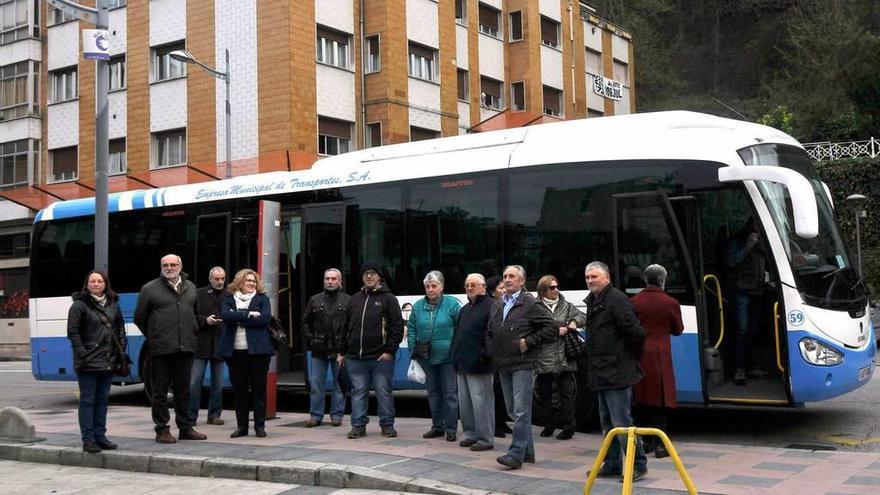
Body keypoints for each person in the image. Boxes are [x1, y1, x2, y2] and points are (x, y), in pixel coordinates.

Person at [583, 261, 648, 482]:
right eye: (588, 277)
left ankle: (638, 465)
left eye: (594, 277)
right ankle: (612, 464)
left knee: (623, 423)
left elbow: (636, 334)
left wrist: (627, 359)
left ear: (607, 277)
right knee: (607, 424)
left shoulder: (617, 300)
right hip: (601, 372)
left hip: (617, 371)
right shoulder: (595, 300)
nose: (590, 281)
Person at [488, 265, 557, 470]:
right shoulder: (498, 305)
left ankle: (516, 452)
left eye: (512, 277)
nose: (507, 280)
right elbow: (490, 331)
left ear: (521, 281)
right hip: (503, 362)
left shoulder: (529, 303)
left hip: (523, 364)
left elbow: (551, 327)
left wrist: (529, 341)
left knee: (520, 410)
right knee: (513, 409)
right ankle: (528, 453)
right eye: (505, 276)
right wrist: (491, 349)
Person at [134, 254, 207, 444]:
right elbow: (139, 318)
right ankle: (162, 430)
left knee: (184, 390)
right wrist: (155, 335)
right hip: (161, 349)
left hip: (185, 347)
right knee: (159, 392)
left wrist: (192, 334)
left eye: (173, 264)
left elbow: (196, 315)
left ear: (180, 266)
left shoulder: (191, 288)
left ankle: (185, 427)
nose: (169, 267)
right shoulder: (149, 289)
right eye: (165, 264)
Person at [337, 261, 404, 439]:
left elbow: (397, 327)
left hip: (380, 358)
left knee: (383, 391)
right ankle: (358, 426)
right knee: (358, 392)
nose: (369, 276)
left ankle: (387, 425)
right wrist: (341, 352)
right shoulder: (355, 299)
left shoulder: (389, 299)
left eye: (373, 273)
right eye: (366, 273)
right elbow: (345, 327)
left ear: (379, 276)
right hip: (355, 358)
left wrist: (390, 351)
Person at [67, 270, 126, 453]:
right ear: (87, 284)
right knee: (87, 401)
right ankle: (88, 439)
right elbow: (73, 333)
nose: (96, 284)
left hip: (108, 361)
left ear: (105, 284)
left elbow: (120, 329)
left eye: (99, 281)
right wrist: (84, 355)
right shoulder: (79, 305)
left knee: (102, 401)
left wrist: (121, 350)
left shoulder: (113, 304)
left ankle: (101, 437)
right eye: (92, 281)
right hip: (88, 363)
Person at [631, 264, 683, 458]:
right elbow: (678, 329)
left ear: (646, 280)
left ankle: (646, 443)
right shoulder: (670, 302)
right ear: (663, 280)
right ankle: (661, 444)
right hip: (661, 354)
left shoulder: (634, 301)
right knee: (661, 398)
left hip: (641, 354)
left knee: (643, 397)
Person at [220, 269, 275, 438]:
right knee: (239, 391)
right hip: (235, 352)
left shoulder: (262, 299)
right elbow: (225, 316)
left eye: (253, 281)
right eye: (247, 281)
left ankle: (260, 427)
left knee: (259, 390)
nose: (251, 283)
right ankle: (241, 427)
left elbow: (265, 319)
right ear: (239, 282)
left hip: (258, 352)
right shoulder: (229, 298)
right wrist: (250, 315)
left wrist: (238, 318)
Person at [408, 270, 461, 442]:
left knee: (450, 394)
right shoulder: (417, 306)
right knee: (433, 393)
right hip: (426, 357)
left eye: (434, 286)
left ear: (442, 287)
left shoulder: (452, 305)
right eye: (428, 286)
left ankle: (451, 429)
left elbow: (460, 328)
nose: (430, 289)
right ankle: (437, 426)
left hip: (448, 358)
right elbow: (411, 328)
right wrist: (412, 349)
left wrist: (455, 350)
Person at [534, 275, 585, 441]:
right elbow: (532, 328)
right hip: (544, 356)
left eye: (557, 286)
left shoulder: (566, 305)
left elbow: (583, 316)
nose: (556, 290)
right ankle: (549, 425)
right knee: (545, 394)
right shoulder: (535, 307)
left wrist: (574, 322)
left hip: (565, 356)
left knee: (567, 394)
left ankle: (569, 427)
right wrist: (557, 330)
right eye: (552, 287)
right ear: (543, 290)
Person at [450, 273, 495, 451]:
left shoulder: (492, 306)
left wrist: (485, 355)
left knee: (481, 402)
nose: (469, 288)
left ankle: (485, 438)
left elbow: (492, 335)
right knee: (466, 403)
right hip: (462, 363)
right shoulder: (465, 308)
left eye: (473, 285)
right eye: (467, 285)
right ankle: (470, 434)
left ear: (483, 287)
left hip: (480, 364)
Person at [302, 268, 350, 427]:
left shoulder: (348, 301)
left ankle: (337, 416)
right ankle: (315, 416)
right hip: (318, 350)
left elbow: (352, 325)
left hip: (339, 350)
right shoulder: (314, 300)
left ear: (340, 282)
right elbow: (305, 323)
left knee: (339, 385)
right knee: (316, 385)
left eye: (333, 279)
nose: (330, 281)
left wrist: (346, 346)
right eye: (327, 278)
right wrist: (312, 339)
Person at [725, 217, 767, 385]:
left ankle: (750, 365)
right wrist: (747, 246)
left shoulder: (762, 242)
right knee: (741, 329)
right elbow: (731, 260)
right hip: (741, 290)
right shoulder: (737, 241)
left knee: (753, 330)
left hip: (758, 290)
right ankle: (738, 368)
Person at [190, 267, 227, 426]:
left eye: (222, 279)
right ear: (210, 279)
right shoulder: (199, 294)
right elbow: (191, 316)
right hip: (201, 343)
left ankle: (214, 415)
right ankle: (191, 416)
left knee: (218, 383)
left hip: (220, 344)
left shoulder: (229, 295)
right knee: (194, 382)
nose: (219, 282)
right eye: (216, 279)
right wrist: (205, 320)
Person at [485, 274, 512, 438]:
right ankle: (496, 425)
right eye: (501, 288)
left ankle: (503, 422)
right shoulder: (492, 307)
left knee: (503, 390)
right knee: (495, 390)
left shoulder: (507, 304)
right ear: (492, 291)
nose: (504, 290)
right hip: (495, 354)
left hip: (505, 354)